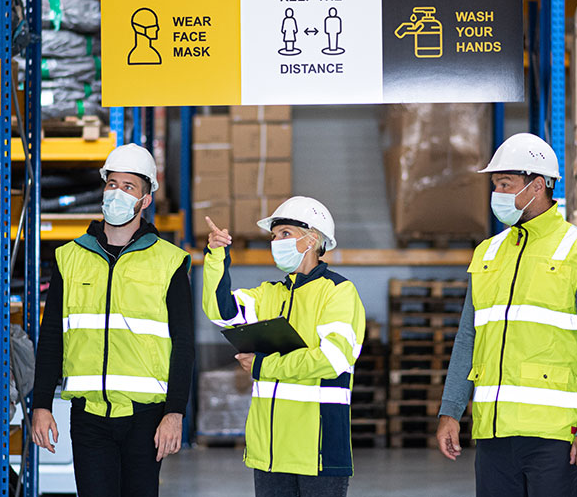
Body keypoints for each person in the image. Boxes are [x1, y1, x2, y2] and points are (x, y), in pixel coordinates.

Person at [436, 133, 577, 497]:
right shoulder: (488, 253)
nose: (497, 194)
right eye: (495, 185)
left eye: (505, 184)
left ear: (537, 186)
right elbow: (467, 338)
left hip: (553, 437)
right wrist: (450, 410)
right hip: (494, 433)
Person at [30, 143, 193, 497]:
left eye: (129, 186)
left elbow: (184, 344)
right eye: (112, 184)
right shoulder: (69, 258)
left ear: (145, 200)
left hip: (146, 418)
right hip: (88, 417)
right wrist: (41, 404)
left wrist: (175, 413)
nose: (117, 193)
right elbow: (52, 336)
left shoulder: (170, 262)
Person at [203, 197, 366, 497]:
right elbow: (220, 311)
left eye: (285, 234)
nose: (276, 242)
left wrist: (264, 366)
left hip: (318, 451)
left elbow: (332, 359)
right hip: (269, 453)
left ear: (312, 238)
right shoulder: (268, 294)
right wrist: (216, 257)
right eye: (274, 236)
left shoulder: (339, 293)